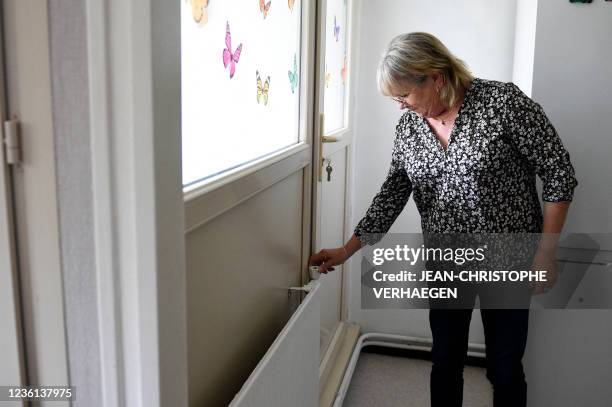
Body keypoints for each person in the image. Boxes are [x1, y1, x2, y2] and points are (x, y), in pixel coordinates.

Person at [308, 32, 578, 407]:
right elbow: (393, 192)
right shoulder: (410, 127)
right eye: (395, 99)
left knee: (504, 366)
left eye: (404, 95)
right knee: (445, 360)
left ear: (435, 77)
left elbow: (558, 172)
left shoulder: (503, 103)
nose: (401, 106)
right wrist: (347, 249)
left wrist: (546, 253)